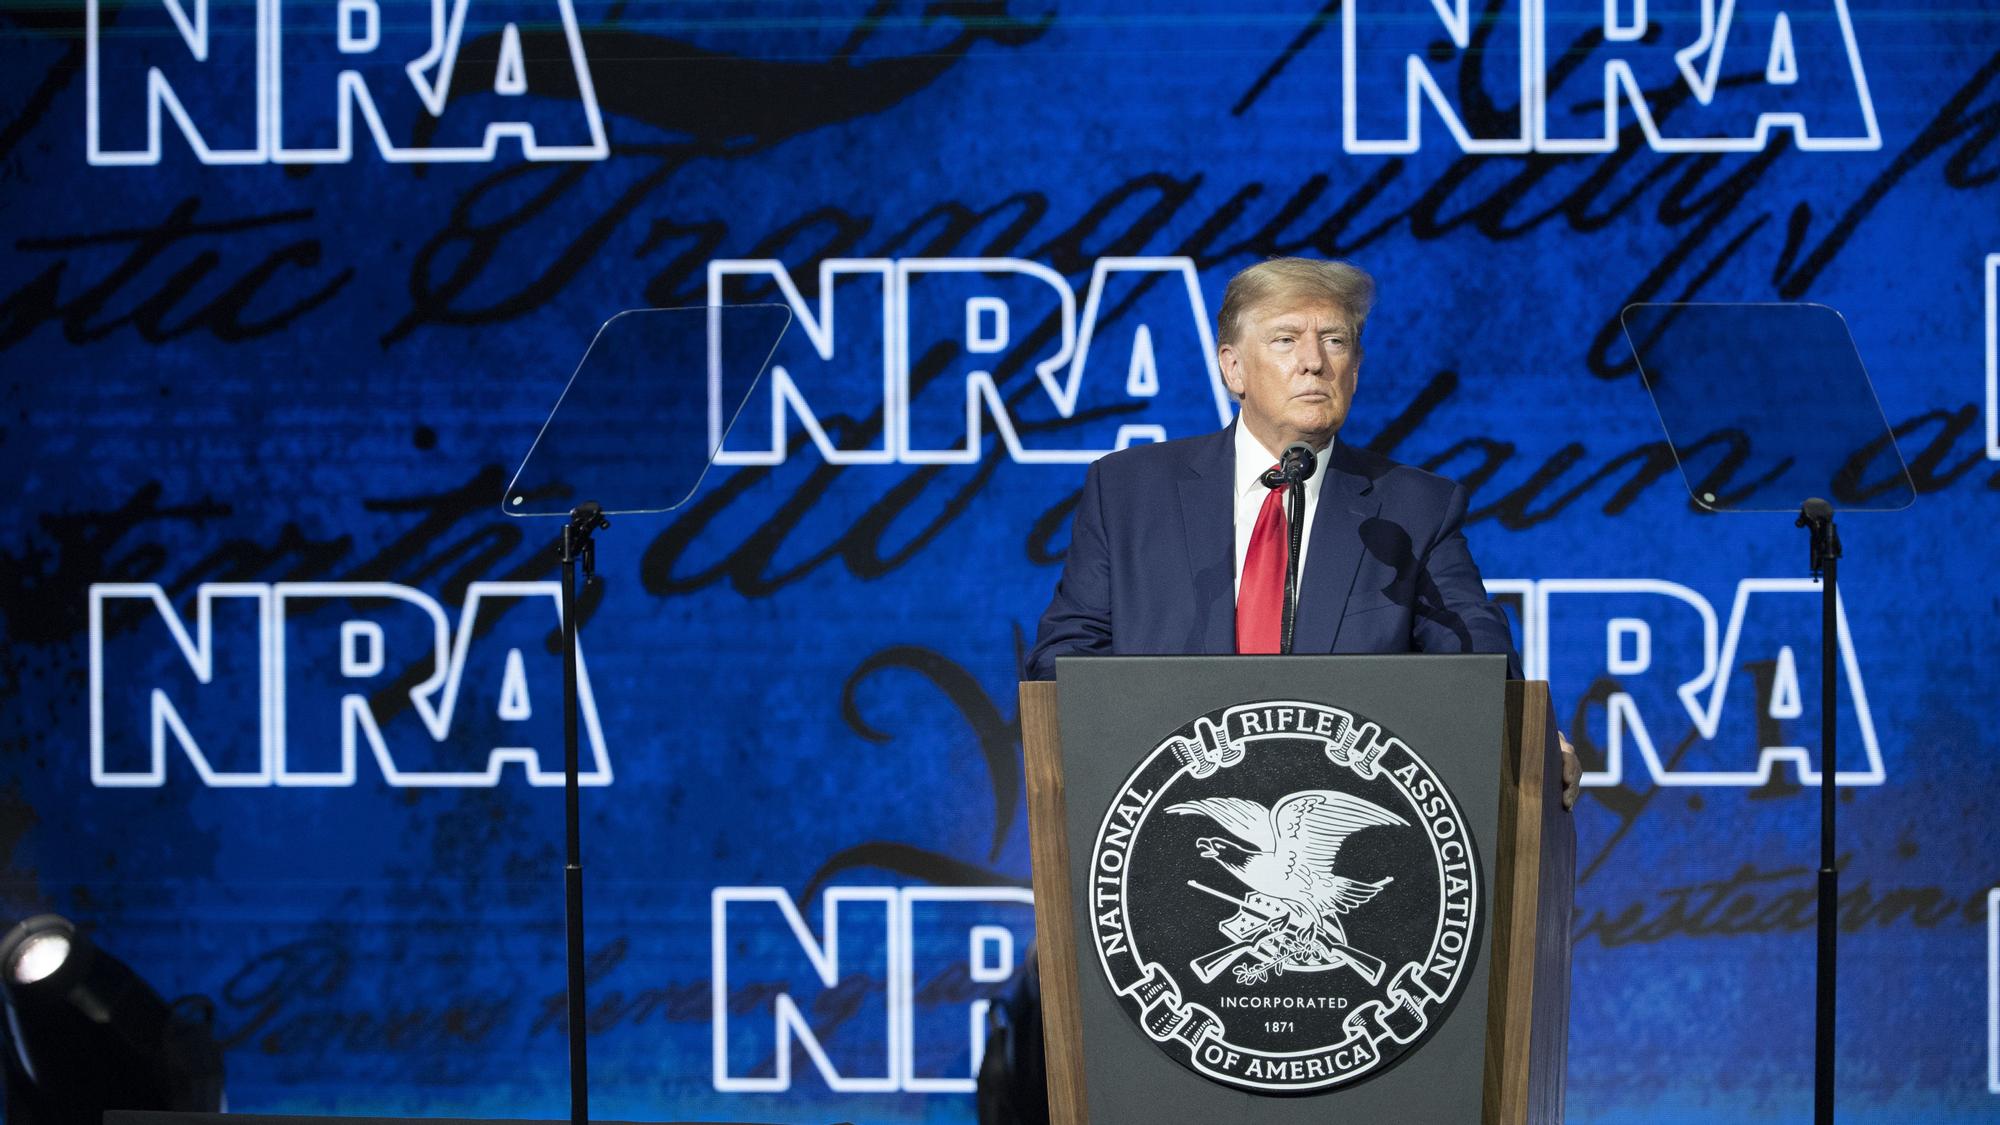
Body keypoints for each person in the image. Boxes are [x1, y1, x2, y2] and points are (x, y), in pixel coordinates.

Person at [1028, 256, 1523, 683]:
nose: (1314, 362)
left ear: (1356, 367)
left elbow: (1478, 659)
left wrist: (1528, 737)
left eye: (1334, 340)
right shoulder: (1128, 492)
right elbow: (1064, 659)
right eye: (1285, 339)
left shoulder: (1415, 509)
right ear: (1233, 368)